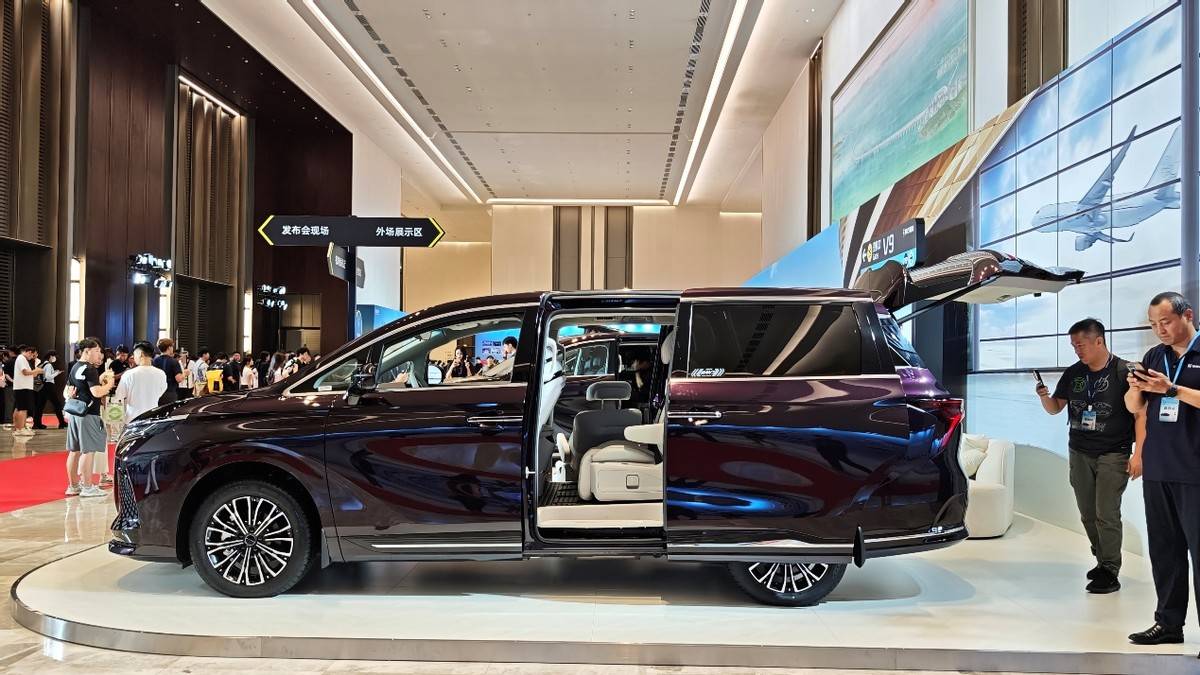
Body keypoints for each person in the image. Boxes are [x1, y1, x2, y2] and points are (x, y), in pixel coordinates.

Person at [1036, 318, 1142, 594]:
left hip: (1114, 452)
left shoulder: (1125, 371)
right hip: (1079, 450)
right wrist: (1044, 396)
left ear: (1099, 341)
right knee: (1087, 514)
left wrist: (1140, 454)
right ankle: (1102, 560)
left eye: (1080, 345)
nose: (1077, 350)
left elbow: (1140, 415)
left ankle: (1110, 569)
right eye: (1073, 346)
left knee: (1107, 513)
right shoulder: (1074, 373)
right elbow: (1055, 408)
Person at [1124, 292, 1200, 652]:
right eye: (1154, 324)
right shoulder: (1155, 356)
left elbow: (1176, 394)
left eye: (1165, 322)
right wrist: (1135, 389)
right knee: (1165, 551)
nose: (1160, 330)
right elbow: (1135, 407)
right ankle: (1169, 623)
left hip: (1195, 469)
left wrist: (1171, 388)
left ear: (1188, 315)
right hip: (1159, 467)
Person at [65, 338, 115, 498]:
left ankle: (73, 486)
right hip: (88, 414)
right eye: (97, 351)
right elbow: (96, 392)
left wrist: (99, 381)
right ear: (87, 351)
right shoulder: (90, 369)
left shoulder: (75, 367)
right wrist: (109, 384)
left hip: (75, 412)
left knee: (74, 451)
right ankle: (87, 487)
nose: (100, 354)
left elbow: (70, 390)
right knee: (88, 450)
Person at [115, 342, 167, 424]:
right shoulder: (161, 374)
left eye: (134, 354)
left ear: (141, 354)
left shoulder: (129, 374)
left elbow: (119, 396)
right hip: (152, 420)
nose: (133, 357)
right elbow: (161, 392)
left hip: (132, 420)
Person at [12, 345, 43, 437]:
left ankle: (18, 428)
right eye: (33, 355)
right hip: (23, 387)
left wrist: (36, 372)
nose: (32, 357)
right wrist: (37, 371)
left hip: (22, 387)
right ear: (29, 352)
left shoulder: (23, 359)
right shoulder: (21, 358)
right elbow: (25, 372)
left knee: (19, 408)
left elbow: (30, 374)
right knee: (23, 409)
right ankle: (20, 429)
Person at [35, 350, 66, 429]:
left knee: (40, 406)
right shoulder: (48, 365)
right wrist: (57, 373)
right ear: (51, 356)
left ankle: (37, 424)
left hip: (42, 386)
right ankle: (62, 423)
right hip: (49, 386)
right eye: (54, 356)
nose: (55, 358)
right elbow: (48, 377)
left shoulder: (42, 364)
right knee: (57, 404)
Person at [152, 338, 184, 404]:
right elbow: (178, 379)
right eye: (172, 346)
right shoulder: (174, 361)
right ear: (169, 348)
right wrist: (185, 374)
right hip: (170, 392)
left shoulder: (155, 361)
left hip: (157, 393)